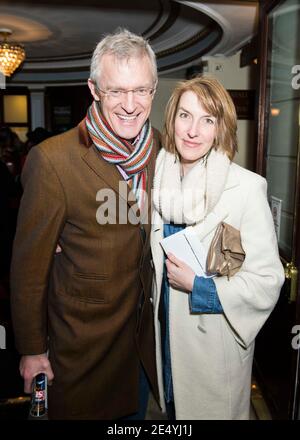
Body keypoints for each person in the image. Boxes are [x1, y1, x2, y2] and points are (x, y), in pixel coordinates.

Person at [10, 29, 160, 420]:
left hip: (142, 348)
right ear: (94, 89)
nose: (130, 105)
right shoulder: (53, 161)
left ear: (154, 90)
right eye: (116, 91)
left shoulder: (161, 149)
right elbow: (29, 269)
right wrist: (32, 349)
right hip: (80, 349)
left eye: (141, 91)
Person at [151, 76, 285, 420]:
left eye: (207, 120)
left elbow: (268, 280)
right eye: (185, 115)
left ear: (220, 128)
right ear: (171, 119)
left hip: (212, 350)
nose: (193, 130)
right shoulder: (155, 181)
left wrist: (201, 287)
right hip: (162, 345)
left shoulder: (246, 188)